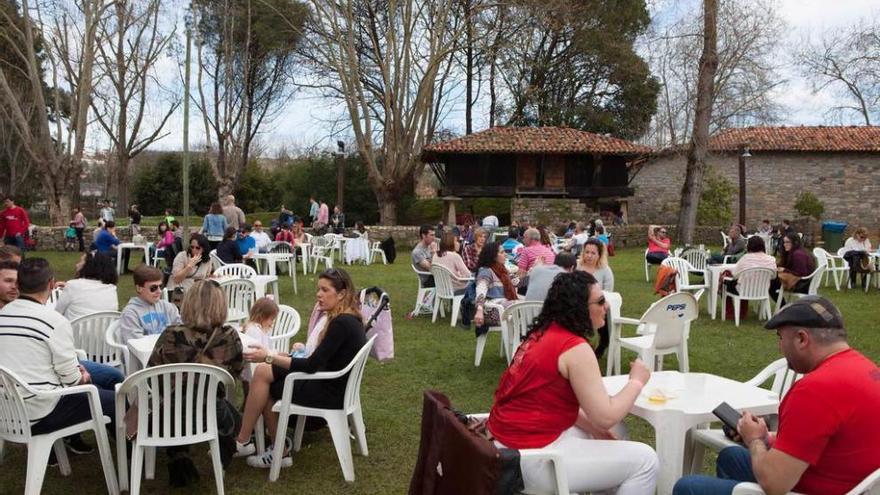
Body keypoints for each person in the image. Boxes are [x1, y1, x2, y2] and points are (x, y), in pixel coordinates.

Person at [673, 296, 880, 495]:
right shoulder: (866, 369)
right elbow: (824, 441)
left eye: (780, 337)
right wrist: (765, 437)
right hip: (856, 484)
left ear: (801, 339)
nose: (779, 347)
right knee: (731, 456)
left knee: (688, 487)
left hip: (815, 488)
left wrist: (754, 440)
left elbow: (774, 484)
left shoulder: (814, 390)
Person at [489, 271, 658, 494]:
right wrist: (636, 381)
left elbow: (549, 401)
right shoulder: (574, 348)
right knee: (646, 461)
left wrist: (595, 429)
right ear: (578, 308)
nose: (605, 306)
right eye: (599, 301)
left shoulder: (541, 335)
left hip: (507, 446)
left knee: (618, 431)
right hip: (531, 459)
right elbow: (605, 416)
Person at [234, 268, 367, 468]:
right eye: (318, 289)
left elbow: (312, 365)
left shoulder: (341, 323)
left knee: (265, 377)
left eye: (324, 290)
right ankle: (264, 446)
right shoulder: (348, 318)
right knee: (264, 371)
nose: (318, 295)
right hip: (333, 384)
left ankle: (249, 443)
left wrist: (269, 356)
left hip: (328, 390)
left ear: (341, 294)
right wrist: (277, 357)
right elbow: (318, 360)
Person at [0, 259, 117, 455]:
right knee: (117, 399)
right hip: (40, 412)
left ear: (18, 285)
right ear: (51, 284)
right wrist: (82, 376)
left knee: (100, 388)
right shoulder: (54, 322)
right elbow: (71, 380)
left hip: (7, 411)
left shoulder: (4, 315)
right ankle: (132, 456)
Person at [148, 279, 244, 486]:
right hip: (211, 413)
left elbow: (150, 374)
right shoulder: (229, 336)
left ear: (188, 303)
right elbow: (235, 373)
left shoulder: (171, 334)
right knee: (231, 412)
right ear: (221, 305)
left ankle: (179, 457)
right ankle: (221, 456)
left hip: (168, 417)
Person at [118, 265, 182, 344]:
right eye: (153, 288)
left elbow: (180, 330)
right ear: (139, 288)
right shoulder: (130, 313)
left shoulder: (167, 307)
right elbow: (136, 344)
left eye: (160, 286)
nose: (159, 291)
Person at [473, 242, 522, 337]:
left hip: (503, 306)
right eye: (502, 252)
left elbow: (516, 282)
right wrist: (479, 310)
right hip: (492, 310)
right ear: (494, 256)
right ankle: (520, 342)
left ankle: (520, 341)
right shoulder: (486, 271)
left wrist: (533, 271)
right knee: (524, 308)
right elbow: (481, 290)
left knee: (527, 306)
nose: (506, 255)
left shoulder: (501, 270)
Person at [53, 252, 119, 321]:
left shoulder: (73, 286)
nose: (76, 265)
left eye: (81, 261)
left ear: (89, 265)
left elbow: (57, 313)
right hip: (104, 331)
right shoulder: (111, 289)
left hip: (73, 330)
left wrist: (69, 287)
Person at [240, 297, 279, 383]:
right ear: (262, 317)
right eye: (271, 319)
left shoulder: (262, 329)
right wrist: (274, 354)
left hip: (262, 368)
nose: (272, 322)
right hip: (254, 373)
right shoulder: (253, 330)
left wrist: (276, 354)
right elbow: (256, 352)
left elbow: (266, 348)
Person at [770, 233, 815, 304]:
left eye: (787, 242)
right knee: (773, 282)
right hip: (803, 282)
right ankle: (783, 306)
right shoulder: (797, 252)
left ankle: (783, 306)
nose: (785, 244)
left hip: (802, 285)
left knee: (771, 283)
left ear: (795, 242)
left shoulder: (798, 254)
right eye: (784, 242)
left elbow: (801, 273)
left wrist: (785, 270)